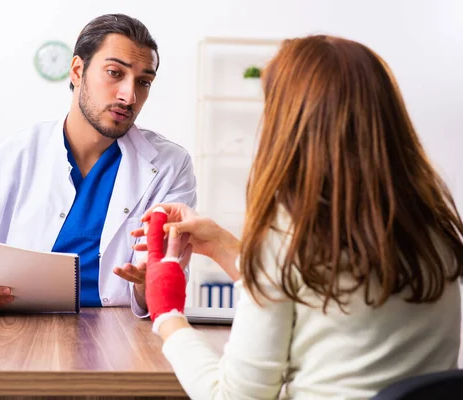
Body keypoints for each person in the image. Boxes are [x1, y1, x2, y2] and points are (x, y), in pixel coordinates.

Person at [136, 35, 463, 399]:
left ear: (291, 127)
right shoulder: (435, 229)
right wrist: (222, 245)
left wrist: (167, 316)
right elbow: (318, 296)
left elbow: (232, 398)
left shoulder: (287, 240)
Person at [0, 13, 196, 318]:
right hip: (14, 335)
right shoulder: (3, 160)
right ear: (77, 70)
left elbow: (167, 285)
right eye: (114, 73)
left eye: (143, 82)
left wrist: (146, 286)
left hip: (121, 337)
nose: (129, 95)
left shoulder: (169, 166)